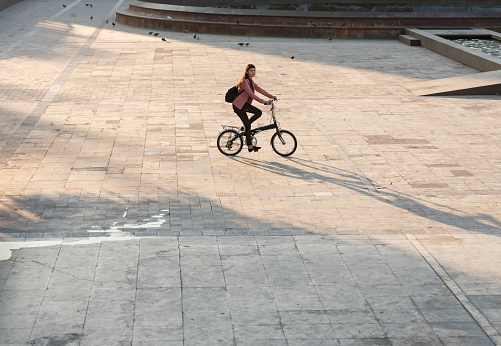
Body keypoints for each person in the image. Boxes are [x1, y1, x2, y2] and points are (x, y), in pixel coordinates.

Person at [232, 64, 277, 152]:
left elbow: (260, 90)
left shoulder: (251, 81)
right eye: (251, 70)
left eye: (254, 70)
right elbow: (251, 94)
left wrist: (271, 96)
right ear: (247, 72)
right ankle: (250, 145)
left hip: (243, 105)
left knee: (258, 113)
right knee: (248, 125)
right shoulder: (244, 82)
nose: (253, 72)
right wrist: (263, 101)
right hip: (238, 105)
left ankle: (245, 126)